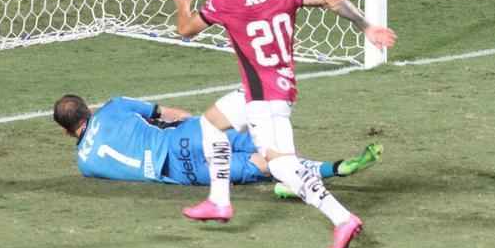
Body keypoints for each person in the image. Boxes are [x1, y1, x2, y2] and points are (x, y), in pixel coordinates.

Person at [171, 0, 396, 248]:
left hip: (267, 101)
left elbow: (185, 29)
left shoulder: (224, 2)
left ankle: (342, 218)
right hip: (266, 89)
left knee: (280, 166)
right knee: (210, 123)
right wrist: (366, 26)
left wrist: (182, 3)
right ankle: (219, 201)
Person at [52, 92, 381, 190]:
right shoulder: (114, 107)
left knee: (257, 165)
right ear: (87, 108)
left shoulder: (85, 165)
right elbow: (172, 113)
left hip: (178, 174)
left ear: (69, 131)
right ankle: (325, 168)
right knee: (260, 140)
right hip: (183, 137)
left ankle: (321, 173)